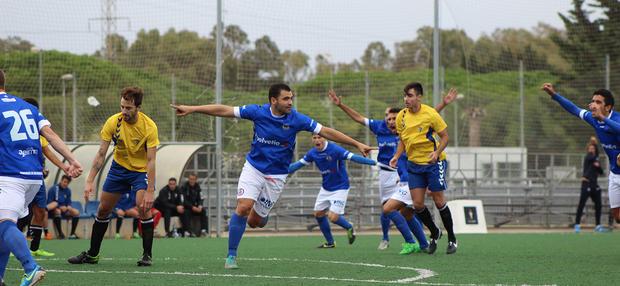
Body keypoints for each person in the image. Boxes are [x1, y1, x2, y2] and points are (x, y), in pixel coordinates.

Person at [171, 83, 375, 269]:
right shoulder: (257, 112)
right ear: (273, 100)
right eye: (286, 98)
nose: (290, 102)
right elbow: (224, 109)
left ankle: (262, 214)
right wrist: (192, 109)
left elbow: (327, 131)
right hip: (254, 168)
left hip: (277, 175)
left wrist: (357, 144)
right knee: (242, 207)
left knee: (256, 222)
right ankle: (231, 256)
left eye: (291, 98)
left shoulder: (297, 119)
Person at [328, 88, 456, 251]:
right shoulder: (382, 127)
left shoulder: (411, 123)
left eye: (394, 118)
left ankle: (416, 241)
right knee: (403, 211)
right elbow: (359, 118)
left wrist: (443, 104)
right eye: (389, 118)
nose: (392, 121)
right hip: (386, 174)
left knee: (396, 209)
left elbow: (428, 116)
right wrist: (341, 105)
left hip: (404, 175)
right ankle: (409, 240)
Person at [0, 69, 82, 286]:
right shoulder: (28, 107)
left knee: (3, 226)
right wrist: (71, 160)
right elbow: (51, 136)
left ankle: (31, 267)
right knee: (2, 231)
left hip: (9, 177)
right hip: (33, 178)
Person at [68, 86, 159, 266]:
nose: (124, 111)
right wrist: (89, 181)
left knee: (143, 208)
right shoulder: (113, 122)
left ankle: (147, 255)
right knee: (103, 210)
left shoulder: (149, 127)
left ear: (138, 108)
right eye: (122, 107)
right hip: (119, 169)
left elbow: (151, 161)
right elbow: (101, 154)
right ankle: (92, 255)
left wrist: (150, 190)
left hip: (140, 171)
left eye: (128, 108)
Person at [390, 82, 457, 255]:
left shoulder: (430, 114)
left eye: (410, 95)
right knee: (418, 204)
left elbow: (445, 137)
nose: (406, 99)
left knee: (439, 201)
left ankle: (452, 238)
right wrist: (397, 156)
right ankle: (435, 232)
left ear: (419, 96)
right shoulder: (401, 117)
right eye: (405, 95)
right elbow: (402, 141)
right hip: (414, 165)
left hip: (434, 163)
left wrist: (437, 152)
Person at [541, 83, 620, 227]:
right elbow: (574, 109)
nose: (594, 104)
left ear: (608, 107)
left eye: (598, 102)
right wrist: (554, 95)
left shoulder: (615, 119)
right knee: (617, 217)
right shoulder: (594, 118)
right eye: (593, 101)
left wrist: (603, 118)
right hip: (615, 174)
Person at [289, 134, 376, 248]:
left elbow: (353, 157)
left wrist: (374, 163)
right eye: (314, 138)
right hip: (326, 188)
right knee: (318, 214)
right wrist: (279, 170)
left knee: (333, 217)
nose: (317, 140)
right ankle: (330, 243)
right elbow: (297, 165)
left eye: (320, 137)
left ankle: (349, 226)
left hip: (340, 187)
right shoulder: (312, 153)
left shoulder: (335, 149)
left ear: (325, 138)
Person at [16, 97, 71, 256]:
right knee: (17, 212)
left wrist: (64, 166)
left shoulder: (39, 131)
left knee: (40, 211)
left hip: (36, 177)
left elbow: (48, 151)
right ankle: (11, 246)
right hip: (17, 176)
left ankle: (34, 249)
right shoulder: (15, 130)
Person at [46, 175, 81, 239]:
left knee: (76, 212)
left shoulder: (68, 190)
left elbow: (69, 202)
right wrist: (60, 207)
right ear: (61, 180)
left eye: (67, 183)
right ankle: (60, 234)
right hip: (53, 211)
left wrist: (68, 206)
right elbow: (49, 203)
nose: (65, 184)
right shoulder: (53, 189)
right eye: (64, 182)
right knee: (57, 211)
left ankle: (72, 234)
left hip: (65, 210)